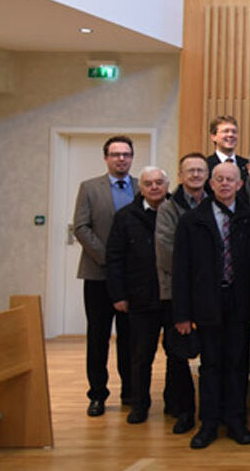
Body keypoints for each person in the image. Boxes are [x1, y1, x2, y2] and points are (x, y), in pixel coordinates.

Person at [172, 162, 250, 449]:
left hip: (240, 302)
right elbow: (181, 270)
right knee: (210, 365)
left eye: (230, 180)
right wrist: (182, 314)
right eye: (219, 179)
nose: (224, 184)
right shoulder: (192, 220)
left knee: (236, 364)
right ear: (211, 184)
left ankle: (236, 421)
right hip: (206, 302)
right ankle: (208, 423)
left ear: (239, 184)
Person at [73, 135, 137, 417]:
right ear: (106, 158)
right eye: (115, 154)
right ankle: (97, 394)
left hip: (131, 278)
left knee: (130, 338)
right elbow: (81, 227)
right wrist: (109, 260)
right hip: (98, 275)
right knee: (98, 337)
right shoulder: (89, 188)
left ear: (132, 158)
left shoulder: (141, 187)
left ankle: (131, 391)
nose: (121, 159)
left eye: (126, 154)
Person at [106, 166, 169, 425]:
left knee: (176, 354)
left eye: (159, 182)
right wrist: (118, 294)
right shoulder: (125, 216)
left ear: (167, 185)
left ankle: (175, 404)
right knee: (141, 354)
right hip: (140, 296)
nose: (154, 187)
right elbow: (115, 258)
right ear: (140, 188)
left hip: (172, 296)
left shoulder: (177, 213)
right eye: (148, 183)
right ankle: (139, 404)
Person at [154, 152, 206, 431]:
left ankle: (209, 410)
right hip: (176, 291)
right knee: (178, 354)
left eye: (200, 170)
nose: (196, 175)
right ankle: (183, 410)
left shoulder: (214, 204)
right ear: (181, 175)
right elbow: (165, 253)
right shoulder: (168, 208)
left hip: (209, 293)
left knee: (210, 353)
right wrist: (200, 272)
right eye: (190, 171)